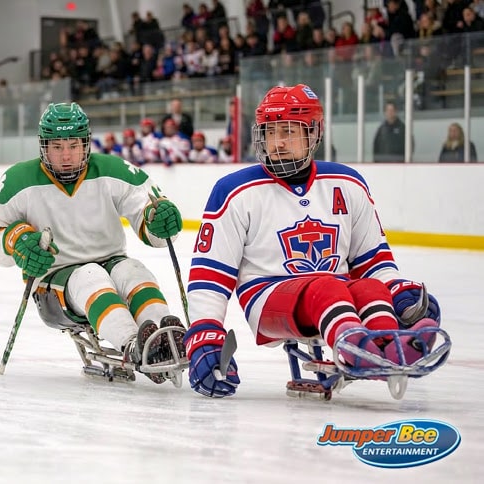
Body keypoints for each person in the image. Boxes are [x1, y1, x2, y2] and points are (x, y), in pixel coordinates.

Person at [182, 84, 445, 398]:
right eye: (270, 132)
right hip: (268, 296)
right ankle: (355, 350)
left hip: (336, 292)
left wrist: (397, 290)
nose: (277, 143)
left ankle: (392, 348)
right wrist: (205, 332)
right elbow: (210, 275)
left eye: (288, 131)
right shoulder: (234, 190)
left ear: (313, 133)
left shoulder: (347, 183)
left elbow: (374, 262)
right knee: (328, 287)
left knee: (370, 289)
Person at [0, 102, 186, 384]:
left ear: (86, 144)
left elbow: (152, 219)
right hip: (52, 283)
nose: (66, 155)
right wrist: (17, 241)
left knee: (133, 270)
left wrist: (158, 220)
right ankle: (133, 346)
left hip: (112, 262)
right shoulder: (18, 181)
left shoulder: (114, 170)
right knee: (91, 275)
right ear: (43, 147)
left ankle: (165, 337)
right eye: (57, 147)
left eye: (74, 145)